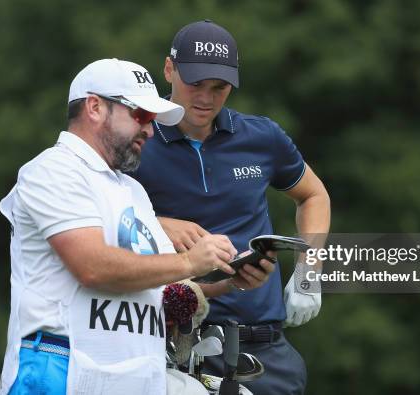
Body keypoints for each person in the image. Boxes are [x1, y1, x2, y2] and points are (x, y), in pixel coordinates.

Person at [0, 58, 248, 395]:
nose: (149, 130)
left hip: (132, 375)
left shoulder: (133, 190)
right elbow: (93, 267)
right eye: (141, 115)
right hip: (62, 369)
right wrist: (190, 261)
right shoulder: (53, 169)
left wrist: (231, 278)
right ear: (95, 107)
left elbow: (160, 285)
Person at [130, 20, 331, 394]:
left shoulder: (261, 136)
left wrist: (310, 269)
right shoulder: (137, 139)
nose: (205, 98)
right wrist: (155, 224)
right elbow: (94, 220)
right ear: (169, 70)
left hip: (265, 350)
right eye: (195, 85)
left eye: (219, 88)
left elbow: (314, 195)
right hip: (172, 346)